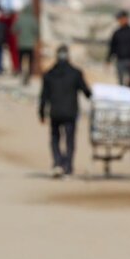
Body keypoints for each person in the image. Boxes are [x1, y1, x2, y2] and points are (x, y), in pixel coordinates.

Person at [39, 45, 91, 177]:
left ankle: (58, 162)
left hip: (55, 112)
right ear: (68, 56)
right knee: (70, 140)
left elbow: (44, 96)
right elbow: (86, 92)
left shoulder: (49, 74)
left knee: (55, 138)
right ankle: (67, 165)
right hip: (70, 112)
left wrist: (41, 112)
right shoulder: (75, 73)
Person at [107, 10, 130, 85]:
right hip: (120, 60)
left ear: (126, 18)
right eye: (119, 19)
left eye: (122, 18)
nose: (120, 21)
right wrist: (108, 59)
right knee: (120, 81)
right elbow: (112, 47)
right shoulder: (116, 33)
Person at [13, 5, 39, 85]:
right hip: (30, 45)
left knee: (21, 60)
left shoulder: (20, 19)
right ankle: (29, 75)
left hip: (21, 44)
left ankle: (21, 73)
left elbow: (14, 30)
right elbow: (37, 32)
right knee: (30, 61)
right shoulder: (33, 20)